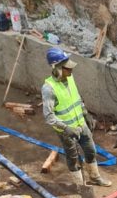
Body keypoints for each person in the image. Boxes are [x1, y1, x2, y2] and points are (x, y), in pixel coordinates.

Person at [42, 47, 111, 188]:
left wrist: (85, 113)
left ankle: (95, 177)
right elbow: (49, 116)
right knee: (73, 158)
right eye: (68, 68)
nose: (71, 70)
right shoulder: (49, 88)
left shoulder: (70, 77)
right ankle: (81, 185)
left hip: (80, 124)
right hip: (66, 130)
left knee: (91, 151)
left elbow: (77, 97)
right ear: (57, 68)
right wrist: (66, 128)